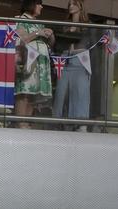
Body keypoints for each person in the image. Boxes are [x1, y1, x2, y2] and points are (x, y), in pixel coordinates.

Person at [50, 0, 94, 128]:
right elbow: (57, 44)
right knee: (60, 94)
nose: (71, 6)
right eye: (69, 4)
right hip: (64, 59)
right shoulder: (64, 24)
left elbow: (91, 43)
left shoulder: (87, 24)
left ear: (80, 6)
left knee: (80, 93)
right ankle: (58, 124)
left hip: (80, 59)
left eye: (74, 4)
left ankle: (81, 125)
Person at [13, 1, 54, 127]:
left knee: (32, 96)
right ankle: (21, 124)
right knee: (24, 93)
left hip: (41, 62)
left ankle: (26, 123)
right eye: (38, 3)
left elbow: (50, 44)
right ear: (31, 4)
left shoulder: (39, 23)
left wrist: (51, 34)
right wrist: (38, 33)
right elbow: (21, 39)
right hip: (28, 60)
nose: (41, 6)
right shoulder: (20, 20)